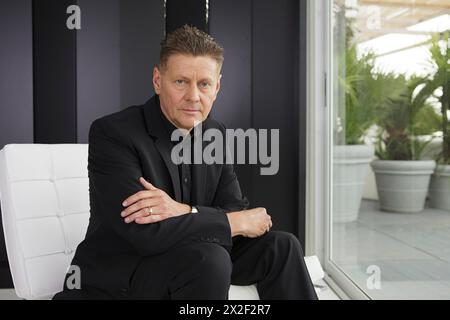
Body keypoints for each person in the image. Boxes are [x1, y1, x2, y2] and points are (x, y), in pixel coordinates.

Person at [53, 25, 317, 300]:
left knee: (283, 246)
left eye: (204, 84)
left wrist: (183, 210)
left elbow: (233, 206)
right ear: (158, 80)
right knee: (209, 259)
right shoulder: (114, 133)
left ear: (217, 87)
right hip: (128, 267)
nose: (193, 96)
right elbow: (145, 232)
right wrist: (227, 221)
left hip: (194, 251)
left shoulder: (215, 132)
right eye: (181, 82)